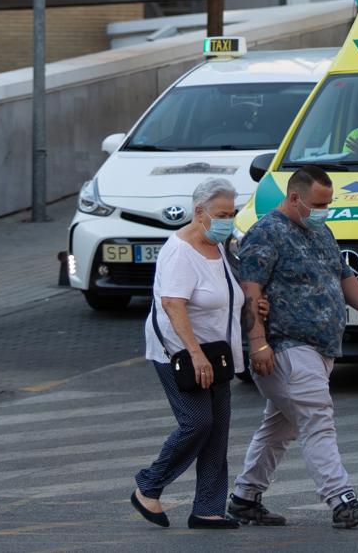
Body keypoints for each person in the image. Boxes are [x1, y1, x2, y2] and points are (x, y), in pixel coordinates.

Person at [228, 165, 358, 529]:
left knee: (278, 428)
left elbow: (343, 275)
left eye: (329, 203)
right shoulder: (266, 233)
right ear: (295, 197)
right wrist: (258, 345)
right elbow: (250, 293)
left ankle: (244, 497)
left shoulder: (320, 231)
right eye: (319, 203)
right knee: (317, 418)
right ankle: (341, 499)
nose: (324, 211)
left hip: (320, 348)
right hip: (285, 347)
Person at [130, 177, 267, 530]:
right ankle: (149, 485)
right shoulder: (180, 251)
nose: (228, 219)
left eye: (232, 212)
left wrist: (251, 305)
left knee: (217, 429)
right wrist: (195, 354)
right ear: (199, 212)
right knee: (197, 422)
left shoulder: (218, 245)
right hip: (180, 351)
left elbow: (226, 291)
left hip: (217, 353)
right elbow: (173, 305)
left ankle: (207, 509)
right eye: (222, 213)